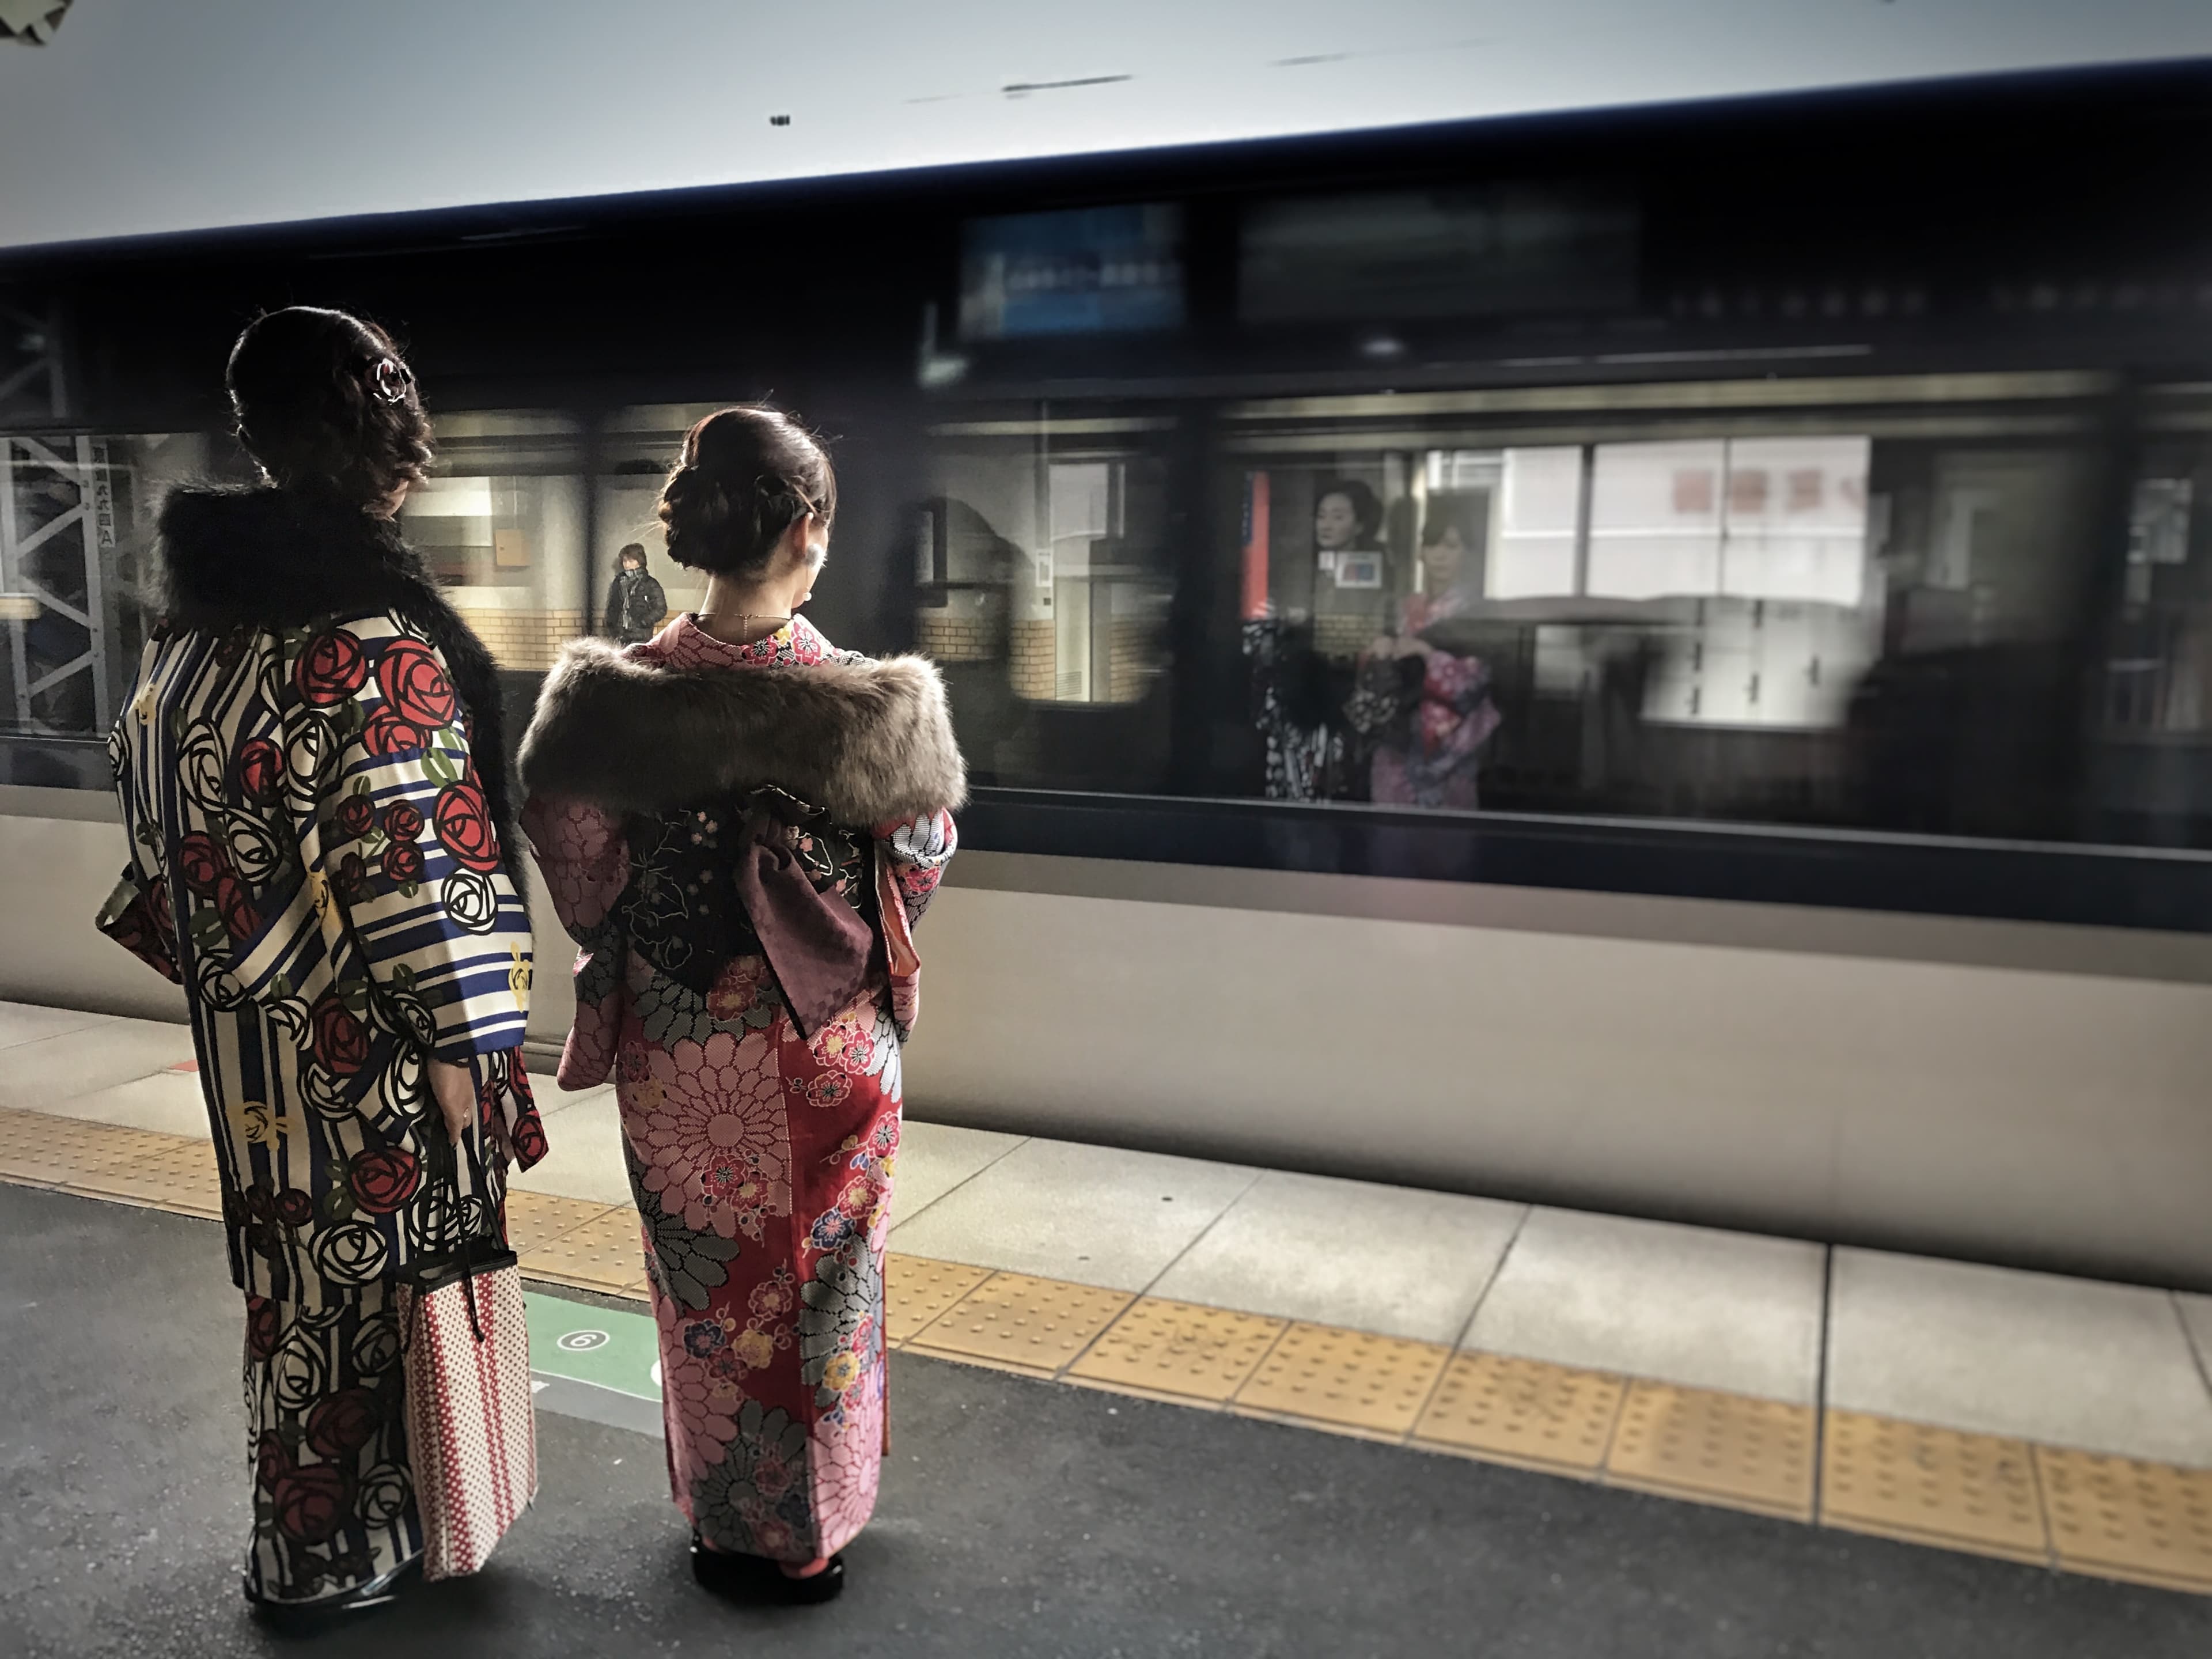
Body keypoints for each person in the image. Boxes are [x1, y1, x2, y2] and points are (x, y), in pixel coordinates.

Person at [94, 307, 546, 1627]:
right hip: (378, 1061)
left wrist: (247, 972)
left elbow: (159, 851)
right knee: (387, 1290)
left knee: (293, 1295)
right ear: (388, 446)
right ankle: (351, 1551)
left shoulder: (186, 645)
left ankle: (295, 1539)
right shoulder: (370, 645)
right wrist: (470, 1043)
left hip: (254, 1054)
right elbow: (430, 875)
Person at [517, 406, 962, 1604]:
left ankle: (725, 1521)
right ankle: (816, 1525)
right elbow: (919, 859)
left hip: (682, 1050)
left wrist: (659, 918)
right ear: (809, 531)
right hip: (830, 1045)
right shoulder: (880, 707)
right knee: (830, 1282)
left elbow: (577, 862)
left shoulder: (606, 704)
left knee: (708, 1287)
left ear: (693, 533)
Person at [1350, 518, 1502, 808]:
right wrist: (1378, 652)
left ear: (1466, 553)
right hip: (1398, 737)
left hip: (1450, 740)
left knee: (1445, 839)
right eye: (1432, 545)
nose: (1440, 555)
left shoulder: (1478, 611)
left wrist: (1426, 655)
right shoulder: (1401, 607)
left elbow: (1479, 675)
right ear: (1421, 552)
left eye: (1451, 546)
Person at [604, 541, 668, 646]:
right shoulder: (619, 582)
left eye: (631, 561)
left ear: (640, 561)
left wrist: (644, 621)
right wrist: (612, 625)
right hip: (620, 635)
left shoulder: (649, 583)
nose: (627, 565)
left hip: (641, 635)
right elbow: (613, 606)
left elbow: (661, 609)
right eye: (625, 561)